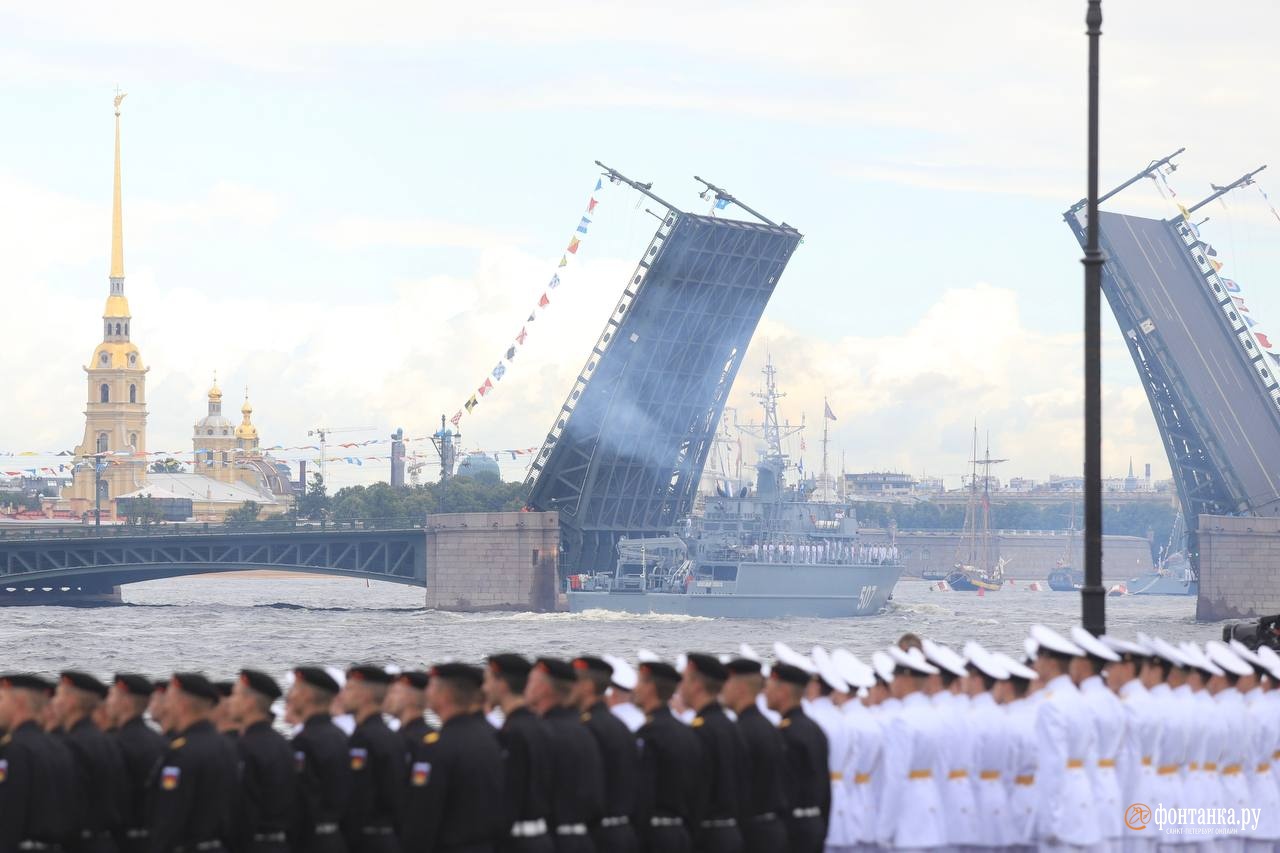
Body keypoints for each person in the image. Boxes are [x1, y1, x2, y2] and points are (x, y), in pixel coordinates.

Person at [401, 662, 505, 851]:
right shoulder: (493, 738)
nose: (427, 692)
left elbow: (423, 815)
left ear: (445, 695)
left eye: (431, 687)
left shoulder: (437, 746)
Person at [1028, 625, 1102, 850]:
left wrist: (1049, 820)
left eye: (1039, 657)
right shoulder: (1080, 700)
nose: (1035, 663)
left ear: (1051, 662)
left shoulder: (1050, 705)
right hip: (1083, 799)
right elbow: (1092, 756)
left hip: (1060, 806)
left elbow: (1052, 764)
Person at [147, 672, 239, 852]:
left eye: (169, 700)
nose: (166, 707)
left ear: (183, 705)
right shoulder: (228, 747)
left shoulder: (181, 752)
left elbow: (171, 814)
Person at [525, 657, 605, 852]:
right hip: (583, 838)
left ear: (544, 689)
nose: (526, 688)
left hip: (550, 838)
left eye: (531, 682)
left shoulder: (542, 732)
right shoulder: (584, 730)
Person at [873, 647, 947, 852]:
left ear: (905, 679)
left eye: (894, 677)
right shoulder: (934, 715)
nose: (892, 683)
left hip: (909, 816)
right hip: (933, 813)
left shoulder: (902, 721)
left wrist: (884, 829)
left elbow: (895, 777)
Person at [50, 671, 129, 853]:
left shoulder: (71, 745)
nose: (53, 703)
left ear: (71, 703)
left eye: (59, 696)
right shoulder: (109, 741)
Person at [484, 654, 554, 852]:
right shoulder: (540, 726)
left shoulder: (511, 733)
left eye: (488, 681)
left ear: (502, 685)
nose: (484, 688)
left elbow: (508, 794)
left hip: (516, 841)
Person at [632, 659, 704, 853]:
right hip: (682, 833)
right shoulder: (687, 733)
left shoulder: (649, 734)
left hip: (654, 835)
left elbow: (642, 793)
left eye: (639, 682)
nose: (634, 688)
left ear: (650, 688)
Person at [678, 653, 746, 853]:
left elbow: (696, 789)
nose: (680, 687)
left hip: (706, 836)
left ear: (697, 685)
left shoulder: (701, 730)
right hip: (731, 832)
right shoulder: (732, 726)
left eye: (684, 680)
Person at [571, 656, 639, 853]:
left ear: (587, 687)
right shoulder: (622, 727)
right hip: (624, 830)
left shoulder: (586, 728)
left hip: (596, 833)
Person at [721, 655, 788, 853]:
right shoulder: (769, 727)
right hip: (773, 829)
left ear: (740, 688)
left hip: (750, 832)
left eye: (726, 683)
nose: (722, 690)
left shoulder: (740, 731)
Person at [0, 674, 74, 850]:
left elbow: (8, 812)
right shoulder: (60, 747)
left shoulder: (13, 750)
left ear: (18, 703)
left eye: (1, 699)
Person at [765, 653, 829, 853]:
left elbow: (780, 790)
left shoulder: (786, 733)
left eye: (769, 687)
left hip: (791, 828)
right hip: (815, 824)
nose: (765, 692)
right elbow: (826, 789)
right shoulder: (815, 729)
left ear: (783, 691)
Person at [229, 669, 296, 853]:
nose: (230, 702)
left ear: (249, 703)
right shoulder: (283, 743)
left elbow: (241, 806)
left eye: (234, 695)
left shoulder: (245, 747)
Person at [338, 666, 404, 852]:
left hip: (365, 840)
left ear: (365, 695)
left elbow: (358, 797)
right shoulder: (393, 736)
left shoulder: (363, 739)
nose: (342, 695)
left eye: (349, 689)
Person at [288, 666, 352, 853]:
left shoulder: (305, 740)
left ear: (307, 696)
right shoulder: (341, 735)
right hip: (336, 837)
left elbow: (299, 795)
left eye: (295, 690)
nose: (290, 696)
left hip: (309, 839)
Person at [106, 674, 165, 853]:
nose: (107, 702)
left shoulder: (114, 744)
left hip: (120, 840)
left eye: (112, 696)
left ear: (126, 703)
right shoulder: (161, 741)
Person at [384, 671, 431, 753]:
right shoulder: (396, 737)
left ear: (412, 698)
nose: (387, 698)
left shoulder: (426, 742)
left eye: (394, 692)